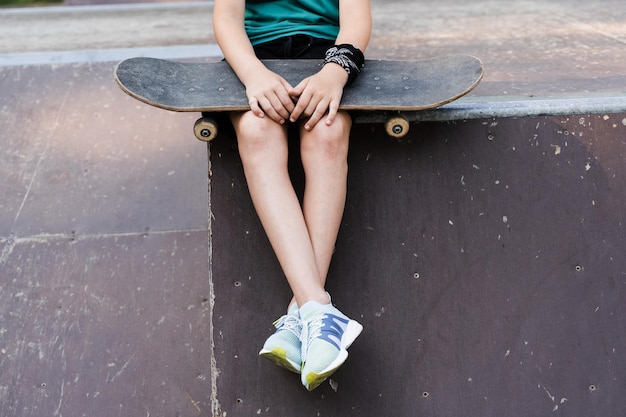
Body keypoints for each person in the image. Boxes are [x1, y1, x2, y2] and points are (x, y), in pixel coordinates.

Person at [213, 0, 372, 391]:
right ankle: (318, 311)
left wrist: (334, 74)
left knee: (328, 133)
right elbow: (226, 19)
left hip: (328, 56)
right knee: (255, 131)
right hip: (254, 60)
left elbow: (356, 19)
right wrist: (253, 75)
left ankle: (301, 313)